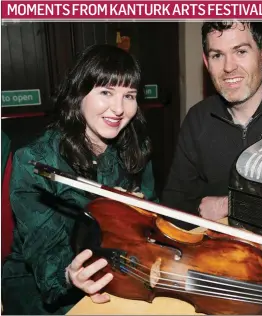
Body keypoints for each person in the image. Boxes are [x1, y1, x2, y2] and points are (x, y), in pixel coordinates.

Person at [1, 44, 158, 315]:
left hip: (116, 271)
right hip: (44, 290)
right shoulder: (35, 160)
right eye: (106, 92)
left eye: (129, 95)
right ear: (79, 95)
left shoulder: (135, 149)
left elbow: (153, 220)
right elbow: (44, 254)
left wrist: (142, 221)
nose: (119, 109)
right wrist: (70, 275)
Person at [161, 22, 262, 230]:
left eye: (240, 51)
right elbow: (173, 206)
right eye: (217, 55)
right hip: (219, 252)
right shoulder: (197, 119)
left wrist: (229, 205)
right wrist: (198, 210)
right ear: (206, 62)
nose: (229, 67)